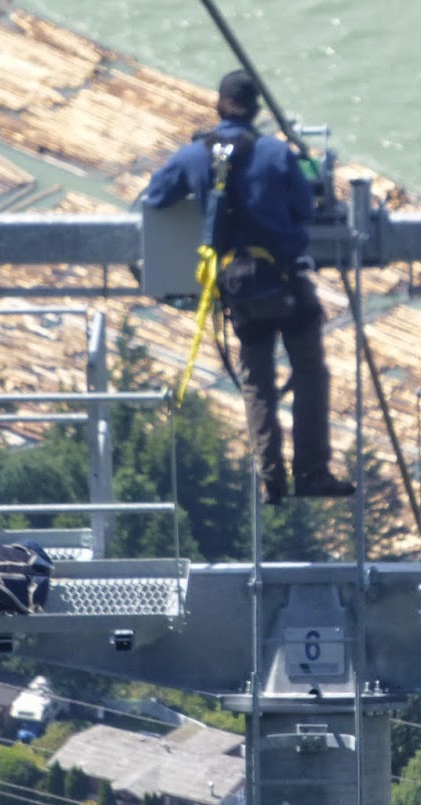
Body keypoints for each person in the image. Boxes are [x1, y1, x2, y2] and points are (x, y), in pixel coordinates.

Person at [144, 70, 355, 505]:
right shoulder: (276, 153)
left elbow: (156, 197)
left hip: (237, 288)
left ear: (218, 105)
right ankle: (311, 471)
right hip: (284, 283)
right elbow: (304, 208)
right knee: (310, 372)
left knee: (257, 382)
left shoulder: (195, 155)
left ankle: (270, 479)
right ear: (256, 109)